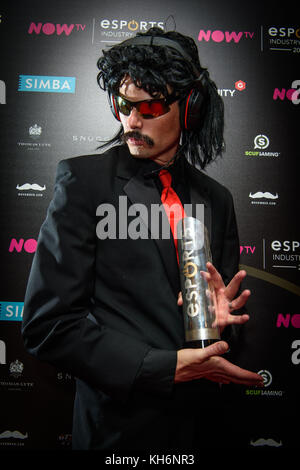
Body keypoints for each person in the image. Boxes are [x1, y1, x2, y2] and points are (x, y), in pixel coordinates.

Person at [22, 27, 263, 451]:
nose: (131, 121)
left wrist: (219, 327)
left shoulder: (217, 199)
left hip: (202, 431)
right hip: (117, 435)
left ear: (188, 108)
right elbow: (49, 326)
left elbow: (219, 336)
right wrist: (162, 367)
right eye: (123, 105)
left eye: (149, 106)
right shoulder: (83, 184)